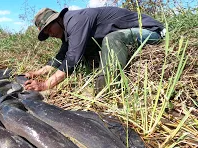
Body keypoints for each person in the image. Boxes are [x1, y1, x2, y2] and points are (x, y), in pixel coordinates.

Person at [24, 6, 165, 92]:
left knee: (112, 38)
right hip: (133, 35)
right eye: (47, 33)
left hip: (150, 31)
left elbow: (72, 58)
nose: (50, 34)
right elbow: (62, 55)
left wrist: (45, 85)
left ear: (58, 19)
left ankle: (106, 90)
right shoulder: (67, 29)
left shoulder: (76, 20)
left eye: (49, 29)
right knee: (89, 49)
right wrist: (37, 73)